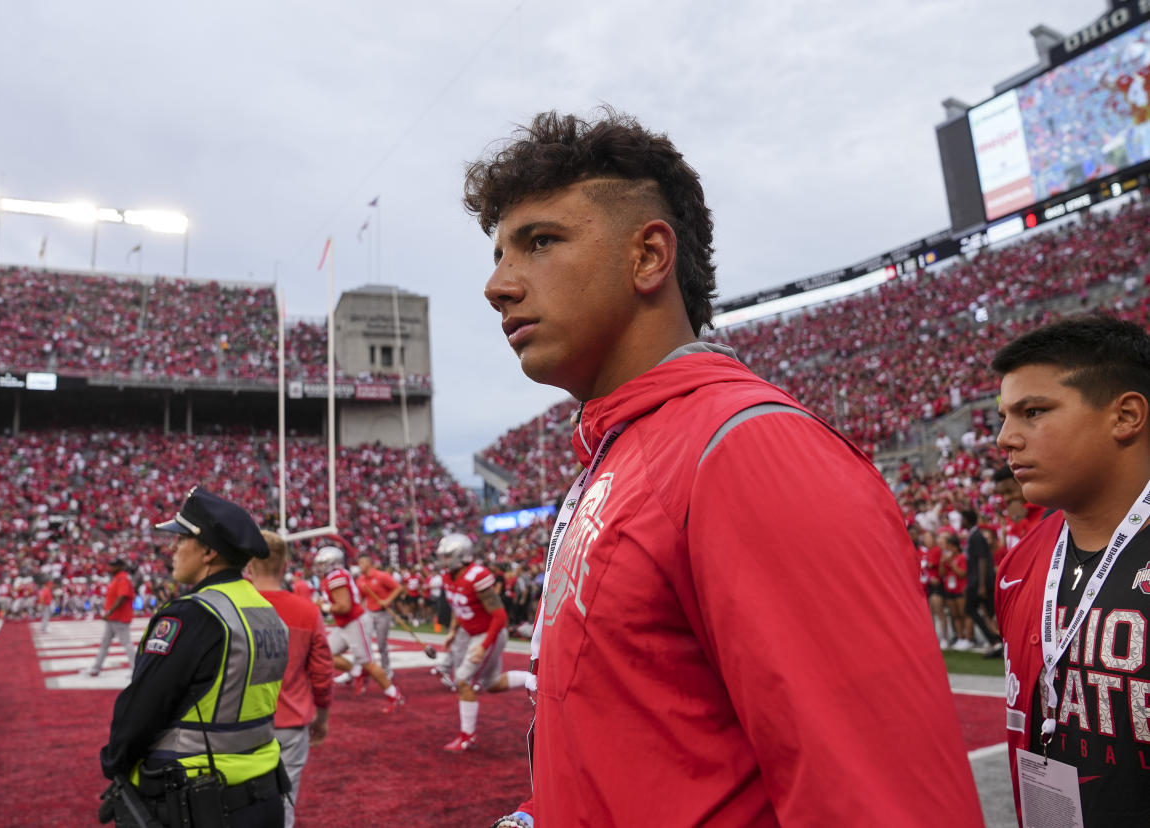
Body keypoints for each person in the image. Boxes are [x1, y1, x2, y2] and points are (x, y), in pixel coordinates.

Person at [465, 108, 982, 827]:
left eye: (540, 241)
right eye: (496, 255)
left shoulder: (747, 449)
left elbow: (881, 804)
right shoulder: (626, 451)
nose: (498, 284)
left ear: (648, 257)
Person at [993, 316, 1150, 826]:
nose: (1004, 439)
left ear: (1125, 415)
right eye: (1003, 416)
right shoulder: (1019, 563)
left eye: (1032, 412)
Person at [98, 486, 290, 828]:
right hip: (264, 790)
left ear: (208, 552)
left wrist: (114, 762)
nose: (173, 549)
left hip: (202, 799)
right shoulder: (266, 611)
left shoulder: (192, 615)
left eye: (181, 539)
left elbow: (143, 707)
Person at [248, 531, 333, 828]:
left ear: (249, 565)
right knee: (284, 802)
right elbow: (322, 674)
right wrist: (322, 716)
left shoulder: (231, 607)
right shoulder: (307, 612)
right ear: (285, 566)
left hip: (239, 724)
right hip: (290, 721)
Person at [435, 533, 530, 752]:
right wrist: (452, 631)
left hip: (490, 632)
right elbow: (460, 607)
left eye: (447, 556)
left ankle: (467, 736)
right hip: (474, 633)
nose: (443, 561)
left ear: (460, 555)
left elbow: (500, 616)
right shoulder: (449, 576)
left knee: (462, 680)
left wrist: (483, 645)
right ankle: (536, 680)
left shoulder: (477, 576)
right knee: (491, 683)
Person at [314, 545, 405, 712]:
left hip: (354, 622)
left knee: (368, 662)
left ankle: (393, 693)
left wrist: (324, 607)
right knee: (323, 652)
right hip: (345, 624)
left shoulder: (336, 577)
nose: (319, 567)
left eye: (322, 564)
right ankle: (356, 671)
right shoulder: (333, 576)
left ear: (332, 563)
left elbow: (344, 607)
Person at [961, 508, 1002, 657]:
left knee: (971, 608)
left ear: (967, 520)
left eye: (963, 519)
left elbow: (982, 560)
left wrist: (981, 585)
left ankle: (995, 641)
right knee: (990, 612)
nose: (961, 522)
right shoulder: (974, 535)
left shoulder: (976, 536)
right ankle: (998, 641)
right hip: (978, 581)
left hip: (979, 581)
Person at [354, 554, 403, 677]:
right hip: (369, 613)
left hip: (383, 613)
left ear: (369, 563)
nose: (360, 566)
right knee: (363, 641)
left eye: (362, 563)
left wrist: (387, 601)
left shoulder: (382, 576)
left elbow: (398, 588)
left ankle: (386, 669)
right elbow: (361, 597)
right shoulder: (360, 580)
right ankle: (361, 668)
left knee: (382, 643)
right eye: (359, 563)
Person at [86, 558, 136, 676]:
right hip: (113, 618)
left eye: (113, 566)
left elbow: (122, 597)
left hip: (120, 617)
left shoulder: (123, 578)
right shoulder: (117, 578)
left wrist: (109, 612)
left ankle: (136, 670)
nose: (110, 568)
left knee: (127, 643)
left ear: (120, 566)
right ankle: (96, 668)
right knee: (105, 644)